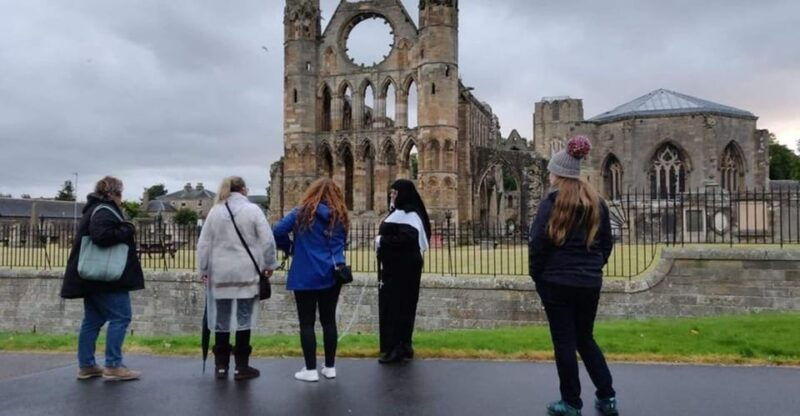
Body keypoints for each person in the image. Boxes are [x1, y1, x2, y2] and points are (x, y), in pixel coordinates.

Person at [529, 135, 619, 416]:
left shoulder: (551, 203)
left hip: (556, 283)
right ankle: (607, 397)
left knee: (565, 343)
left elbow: (537, 246)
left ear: (559, 173)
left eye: (551, 171)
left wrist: (539, 279)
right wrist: (593, 268)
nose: (549, 175)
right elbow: (606, 243)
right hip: (588, 283)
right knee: (585, 338)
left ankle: (570, 403)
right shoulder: (597, 203)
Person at [61, 176, 145, 381]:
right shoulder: (105, 210)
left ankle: (87, 365)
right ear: (113, 194)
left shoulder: (93, 208)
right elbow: (101, 236)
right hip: (106, 278)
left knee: (93, 320)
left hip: (91, 277)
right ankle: (113, 365)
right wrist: (128, 228)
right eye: (120, 194)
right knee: (121, 317)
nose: (122, 199)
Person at [197, 176, 279, 380]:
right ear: (244, 189)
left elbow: (204, 244)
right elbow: (267, 240)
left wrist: (204, 269)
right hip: (246, 272)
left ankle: (221, 367)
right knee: (244, 319)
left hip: (220, 274)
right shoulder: (252, 210)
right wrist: (269, 265)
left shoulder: (215, 211)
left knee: (221, 320)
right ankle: (241, 367)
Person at [273, 178, 348, 382]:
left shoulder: (302, 212)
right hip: (333, 273)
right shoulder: (340, 215)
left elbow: (277, 231)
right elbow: (343, 242)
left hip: (305, 273)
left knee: (307, 323)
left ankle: (310, 369)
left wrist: (290, 248)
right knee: (328, 321)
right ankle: (330, 367)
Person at [376, 179, 431, 364]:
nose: (392, 196)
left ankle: (397, 348)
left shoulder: (411, 216)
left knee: (399, 307)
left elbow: (406, 240)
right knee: (397, 306)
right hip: (395, 267)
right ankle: (400, 346)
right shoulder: (397, 213)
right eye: (391, 192)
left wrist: (381, 242)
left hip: (403, 269)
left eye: (395, 193)